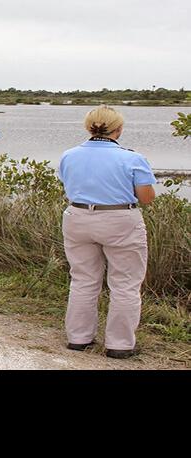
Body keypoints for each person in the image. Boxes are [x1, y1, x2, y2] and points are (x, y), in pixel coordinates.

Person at [58, 105, 156, 359]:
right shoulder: (132, 158)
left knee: (82, 279)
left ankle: (78, 338)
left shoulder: (69, 155)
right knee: (125, 283)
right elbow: (146, 198)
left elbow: (68, 185)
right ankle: (120, 344)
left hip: (78, 217)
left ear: (88, 127)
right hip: (119, 219)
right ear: (119, 129)